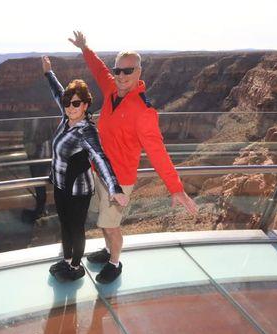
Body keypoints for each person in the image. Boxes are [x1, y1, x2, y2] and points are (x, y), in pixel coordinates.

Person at [68, 31, 198, 284]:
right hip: (98, 171)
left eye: (128, 71)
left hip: (120, 180)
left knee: (111, 224)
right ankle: (107, 251)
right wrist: (85, 48)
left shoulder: (143, 110)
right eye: (118, 70)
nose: (121, 76)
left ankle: (115, 263)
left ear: (139, 72)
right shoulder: (111, 91)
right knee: (103, 222)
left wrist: (176, 187)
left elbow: (157, 151)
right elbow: (99, 69)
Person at [41, 55, 129, 282]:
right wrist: (48, 72)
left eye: (76, 103)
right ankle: (68, 260)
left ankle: (76, 266)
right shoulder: (66, 116)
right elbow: (58, 92)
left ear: (86, 105)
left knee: (75, 228)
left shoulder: (86, 130)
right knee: (64, 225)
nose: (70, 107)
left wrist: (114, 187)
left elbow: (100, 158)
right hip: (60, 184)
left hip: (78, 191)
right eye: (68, 103)